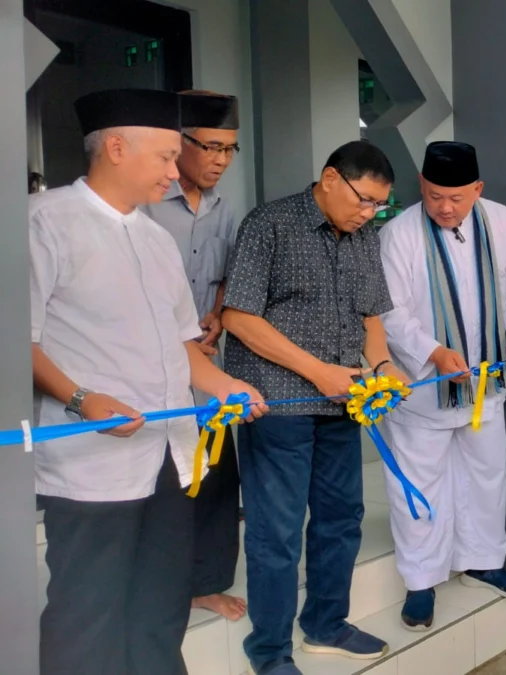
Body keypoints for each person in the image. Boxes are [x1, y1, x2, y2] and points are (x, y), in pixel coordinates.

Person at [31, 88, 265, 675]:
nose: (174, 170)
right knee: (89, 613)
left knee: (160, 607)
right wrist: (81, 398)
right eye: (164, 156)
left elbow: (182, 345)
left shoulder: (154, 238)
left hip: (169, 455)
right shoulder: (43, 222)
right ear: (115, 147)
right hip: (92, 467)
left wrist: (223, 384)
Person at [222, 140, 403, 675]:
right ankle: (270, 652)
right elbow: (238, 317)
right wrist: (317, 371)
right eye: (364, 200)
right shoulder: (270, 225)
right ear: (329, 178)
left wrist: (385, 366)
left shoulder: (364, 237)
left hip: (344, 405)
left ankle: (325, 624)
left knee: (341, 519)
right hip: (278, 405)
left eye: (379, 206)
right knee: (275, 530)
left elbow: (371, 314)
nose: (369, 213)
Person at [377, 141, 506, 631]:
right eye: (433, 197)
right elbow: (389, 312)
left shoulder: (501, 221)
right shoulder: (399, 234)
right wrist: (433, 351)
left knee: (486, 473)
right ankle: (421, 580)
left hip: (484, 385)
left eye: (455, 198)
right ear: (421, 190)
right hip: (422, 388)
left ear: (477, 189)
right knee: (418, 484)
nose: (445, 208)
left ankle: (483, 559)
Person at [141, 89, 245, 622]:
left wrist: (220, 314)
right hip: (148, 365)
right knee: (165, 478)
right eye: (210, 147)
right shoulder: (143, 205)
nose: (220, 160)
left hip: (206, 364)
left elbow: (231, 276)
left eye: (230, 149)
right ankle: (162, 584)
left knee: (217, 473)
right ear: (176, 144)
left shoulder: (228, 211)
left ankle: (204, 583)